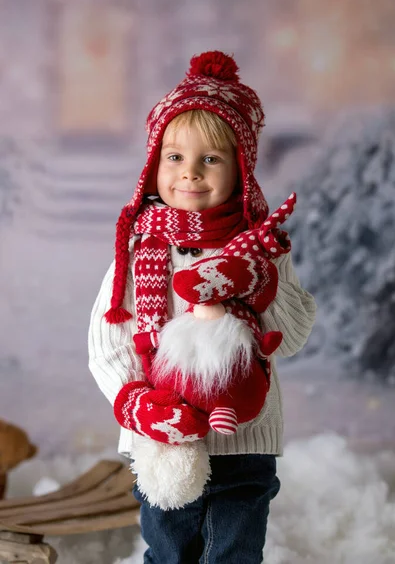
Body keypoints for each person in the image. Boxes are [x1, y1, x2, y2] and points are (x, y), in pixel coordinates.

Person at [88, 51, 316, 564]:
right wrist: (134, 403)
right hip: (164, 445)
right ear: (154, 164)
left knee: (235, 550)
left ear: (241, 168)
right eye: (175, 157)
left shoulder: (261, 247)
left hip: (245, 440)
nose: (189, 173)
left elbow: (295, 334)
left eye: (210, 159)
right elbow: (106, 344)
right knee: (169, 551)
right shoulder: (138, 249)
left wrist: (261, 281)